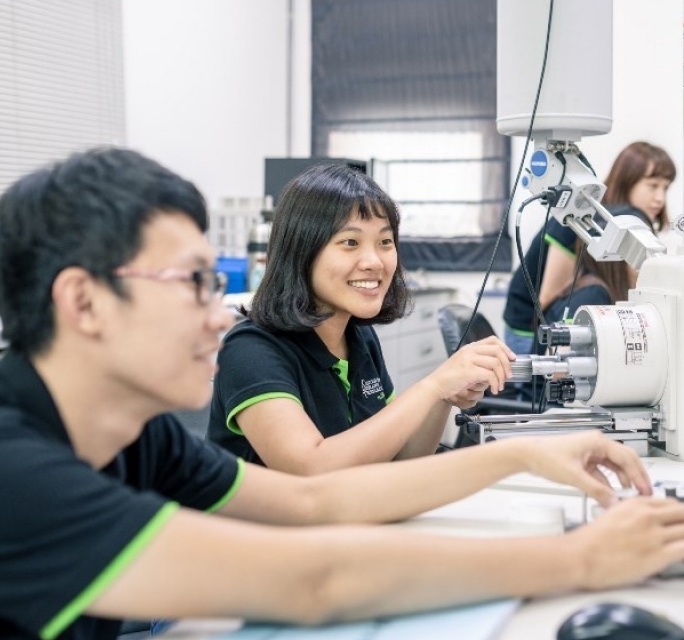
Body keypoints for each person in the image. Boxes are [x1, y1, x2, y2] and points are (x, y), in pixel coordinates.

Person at [0, 148, 684, 640]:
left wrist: (524, 452)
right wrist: (576, 562)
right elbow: (316, 574)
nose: (217, 310)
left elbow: (310, 508)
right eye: (194, 282)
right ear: (82, 302)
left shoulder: (131, 435)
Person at [208, 163, 515, 473]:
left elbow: (401, 461)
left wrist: (443, 398)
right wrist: (432, 387)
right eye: (350, 243)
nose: (374, 262)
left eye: (385, 242)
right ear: (301, 250)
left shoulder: (358, 338)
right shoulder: (251, 350)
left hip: (349, 519)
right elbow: (311, 470)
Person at [501, 141, 676, 355]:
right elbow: (547, 299)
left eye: (665, 188)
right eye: (653, 185)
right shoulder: (577, 217)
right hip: (528, 325)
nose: (660, 198)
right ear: (626, 180)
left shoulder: (622, 224)